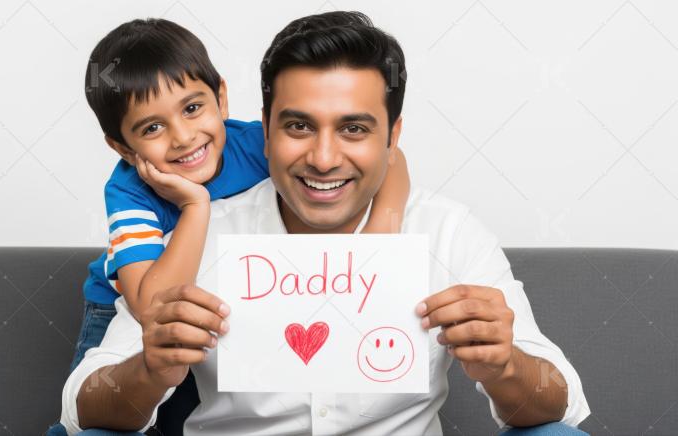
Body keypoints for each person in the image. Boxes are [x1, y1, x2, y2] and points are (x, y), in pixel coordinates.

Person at [60, 11, 590, 435]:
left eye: (355, 129)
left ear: (392, 135)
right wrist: (149, 370)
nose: (323, 158)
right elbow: (81, 406)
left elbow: (559, 399)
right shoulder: (198, 236)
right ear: (263, 130)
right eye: (298, 126)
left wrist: (505, 366)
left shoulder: (448, 232)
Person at [47, 16, 409, 436]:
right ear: (123, 147)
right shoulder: (129, 194)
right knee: (110, 419)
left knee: (206, 399)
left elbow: (391, 158)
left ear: (221, 97)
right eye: (152, 127)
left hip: (220, 301)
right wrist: (195, 206)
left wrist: (380, 235)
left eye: (192, 108)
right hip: (125, 299)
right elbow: (153, 310)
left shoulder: (260, 141)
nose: (183, 137)